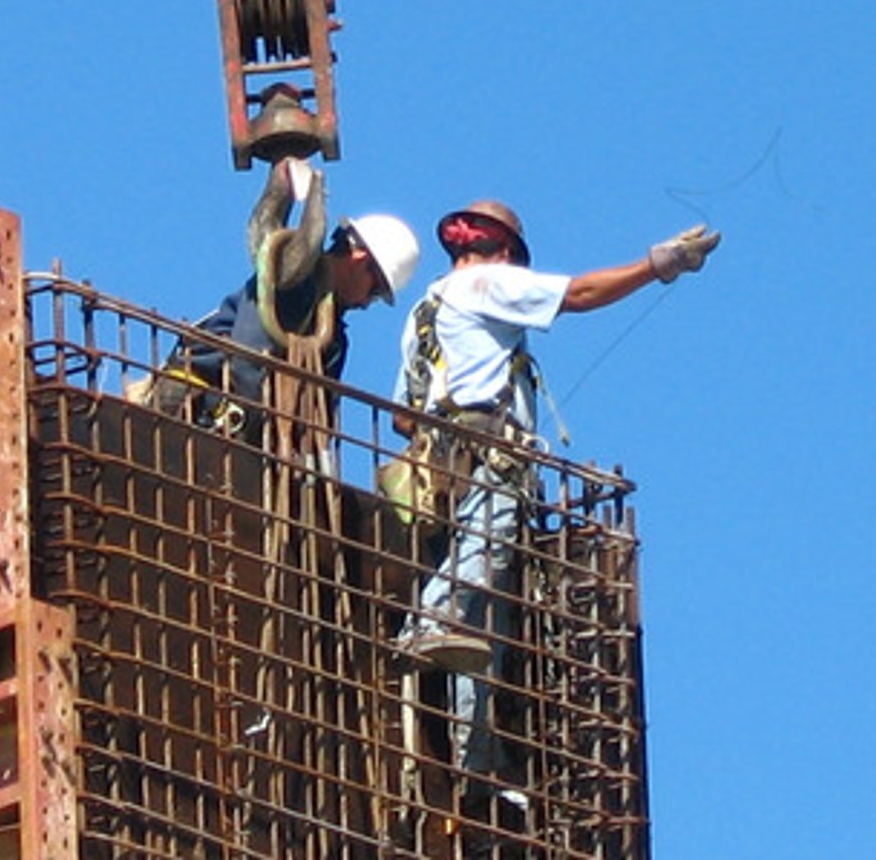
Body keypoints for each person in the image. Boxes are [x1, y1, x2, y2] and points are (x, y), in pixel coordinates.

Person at [390, 199, 719, 799]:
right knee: (483, 559)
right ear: (506, 251)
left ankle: (476, 760)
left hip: (439, 462)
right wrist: (658, 265)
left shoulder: (423, 312)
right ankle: (424, 624)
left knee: (482, 622)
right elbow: (581, 294)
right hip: (491, 451)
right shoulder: (487, 283)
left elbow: (402, 419)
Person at [141, 158, 420, 433]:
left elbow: (320, 415)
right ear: (360, 260)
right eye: (375, 290)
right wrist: (254, 426)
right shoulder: (295, 283)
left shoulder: (333, 339)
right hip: (197, 403)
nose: (366, 303)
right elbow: (249, 352)